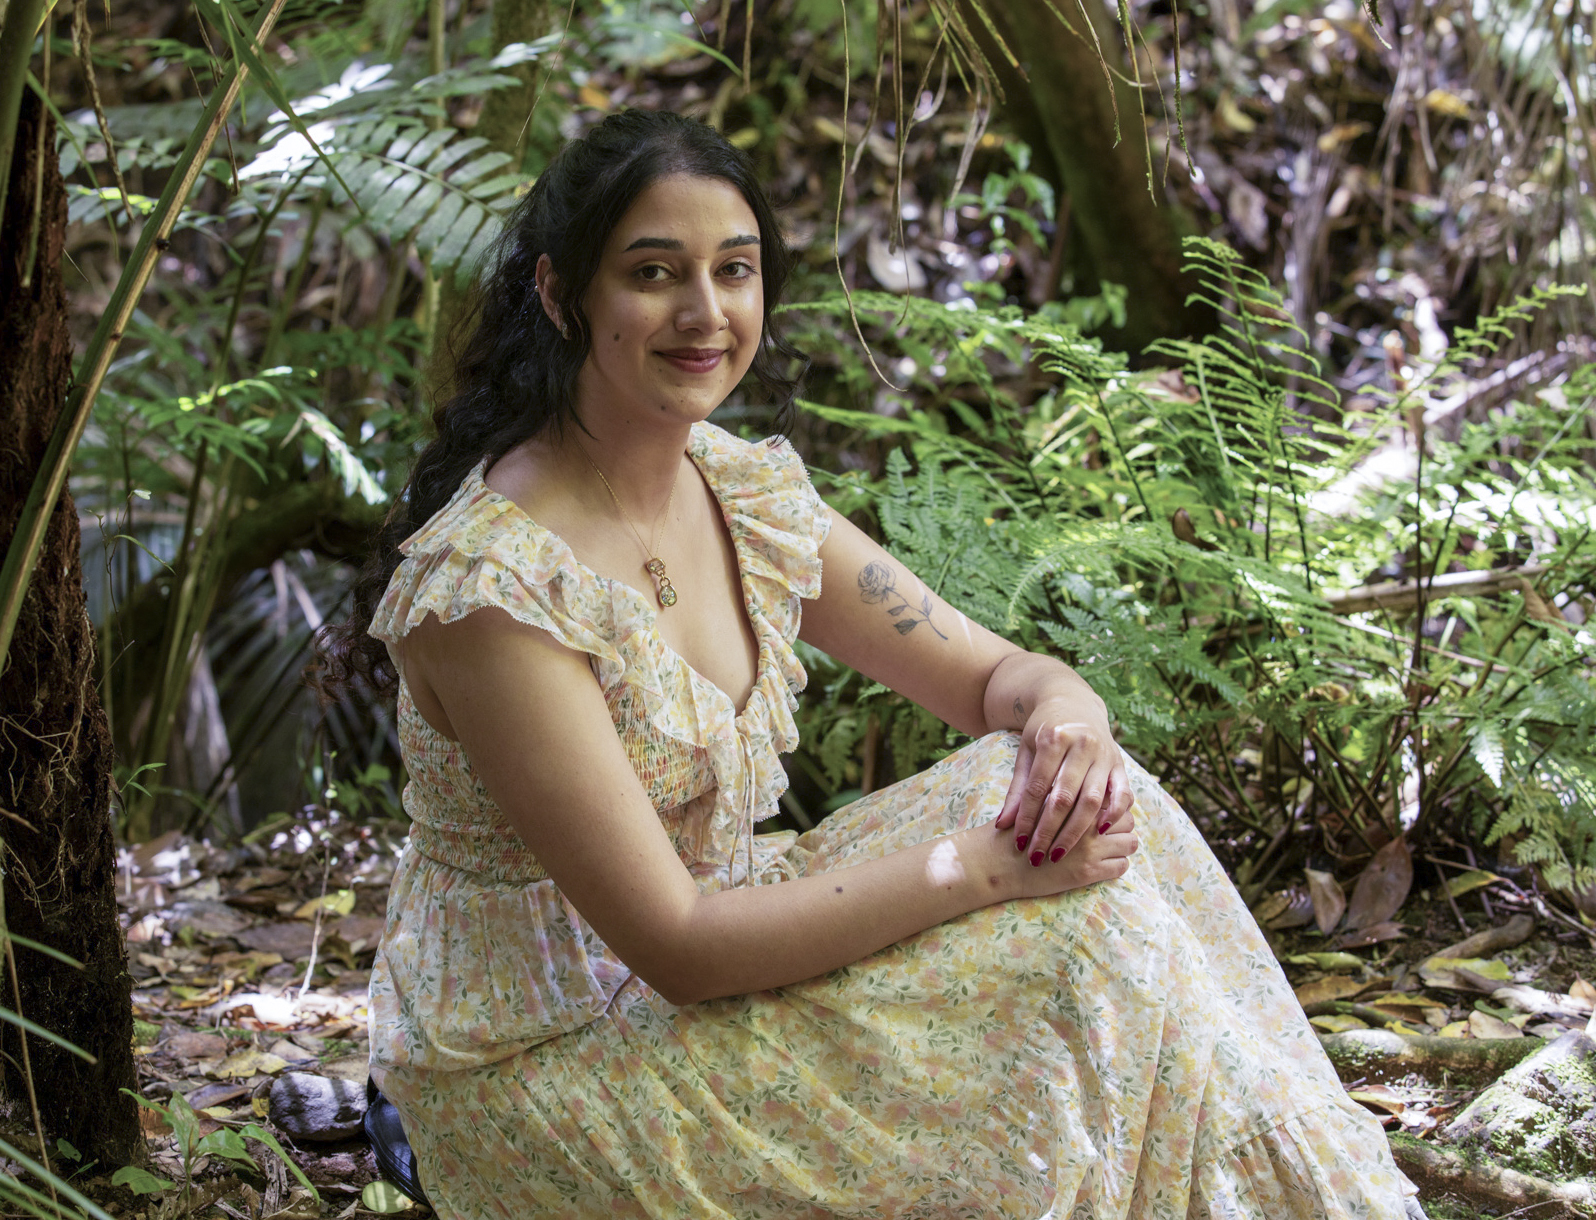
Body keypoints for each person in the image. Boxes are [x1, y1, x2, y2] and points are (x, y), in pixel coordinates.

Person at [319, 109, 1421, 1220]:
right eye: (653, 273)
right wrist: (992, 868)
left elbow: (994, 681)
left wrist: (1070, 714)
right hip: (542, 1061)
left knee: (1092, 797)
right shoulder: (496, 589)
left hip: (714, 961)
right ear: (562, 296)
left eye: (733, 270)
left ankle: (1321, 1196)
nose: (705, 313)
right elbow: (678, 946)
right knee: (1078, 933)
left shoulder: (738, 492)